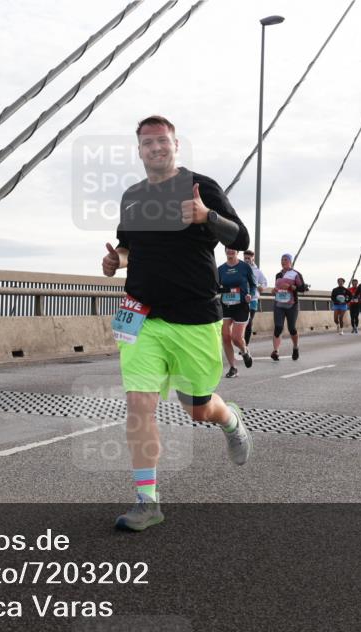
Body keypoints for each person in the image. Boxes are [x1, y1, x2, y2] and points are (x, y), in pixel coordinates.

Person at [102, 115, 252, 532]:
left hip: (194, 318)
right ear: (139, 151)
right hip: (141, 315)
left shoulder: (201, 187)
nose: (156, 148)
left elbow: (240, 239)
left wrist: (208, 218)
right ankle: (147, 502)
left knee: (197, 408)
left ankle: (230, 420)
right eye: (147, 144)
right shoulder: (132, 197)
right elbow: (130, 247)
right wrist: (117, 261)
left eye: (162, 141)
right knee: (139, 405)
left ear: (175, 145)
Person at [218, 248, 256, 376]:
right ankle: (233, 368)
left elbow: (253, 285)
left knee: (236, 338)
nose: (230, 251)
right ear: (225, 251)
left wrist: (250, 295)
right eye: (228, 248)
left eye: (233, 249)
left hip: (241, 306)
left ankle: (245, 351)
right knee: (225, 336)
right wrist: (223, 290)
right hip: (226, 305)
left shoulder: (245, 267)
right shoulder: (221, 269)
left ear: (237, 252)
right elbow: (216, 287)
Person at [271, 253, 308, 360]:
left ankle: (295, 347)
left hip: (292, 305)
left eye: (286, 259)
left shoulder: (295, 274)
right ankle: (276, 351)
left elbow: (302, 288)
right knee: (278, 327)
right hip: (279, 304)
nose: (283, 261)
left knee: (292, 328)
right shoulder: (278, 275)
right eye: (282, 260)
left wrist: (291, 287)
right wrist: (274, 290)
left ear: (290, 262)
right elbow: (278, 287)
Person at [242, 249, 269, 346]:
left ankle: (245, 345)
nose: (247, 260)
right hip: (241, 299)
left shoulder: (257, 271)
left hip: (253, 300)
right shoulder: (240, 268)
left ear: (253, 258)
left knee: (249, 321)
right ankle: (241, 342)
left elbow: (265, 282)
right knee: (242, 322)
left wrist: (261, 287)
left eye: (249, 258)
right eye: (245, 258)